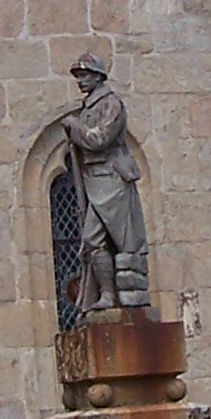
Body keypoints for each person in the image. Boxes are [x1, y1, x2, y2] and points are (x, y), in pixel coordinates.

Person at [63, 54, 149, 313]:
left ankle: (130, 297)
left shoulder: (112, 104)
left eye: (85, 75)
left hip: (113, 182)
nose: (80, 81)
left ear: (98, 76)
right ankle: (108, 295)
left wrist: (75, 128)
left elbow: (98, 139)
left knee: (125, 243)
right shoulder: (89, 107)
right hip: (95, 182)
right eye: (78, 76)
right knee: (92, 240)